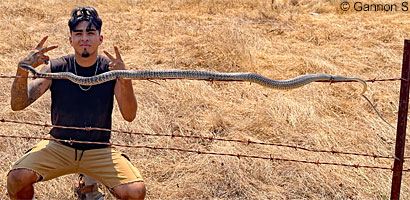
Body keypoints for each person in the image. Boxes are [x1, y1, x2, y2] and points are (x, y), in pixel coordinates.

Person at [7, 6, 146, 200]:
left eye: (90, 33)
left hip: (98, 149)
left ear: (100, 38)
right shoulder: (56, 67)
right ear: (71, 39)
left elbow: (129, 116)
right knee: (16, 178)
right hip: (59, 146)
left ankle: (87, 182)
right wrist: (22, 69)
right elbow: (18, 104)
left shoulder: (110, 70)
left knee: (135, 192)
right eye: (78, 33)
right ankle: (86, 183)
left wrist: (125, 79)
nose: (84, 39)